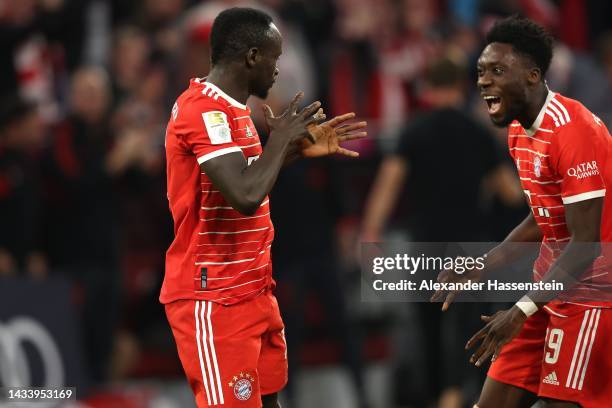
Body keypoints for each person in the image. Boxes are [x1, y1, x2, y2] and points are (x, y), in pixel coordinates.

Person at [161, 7, 366, 408]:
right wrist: (280, 139)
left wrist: (295, 149)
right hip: (214, 298)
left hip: (253, 290)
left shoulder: (233, 110)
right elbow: (245, 195)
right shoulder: (201, 111)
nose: (279, 67)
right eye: (276, 56)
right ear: (252, 57)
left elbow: (248, 174)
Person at [432, 16, 612, 408]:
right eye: (480, 72)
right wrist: (482, 265)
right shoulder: (518, 131)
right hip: (547, 292)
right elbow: (541, 219)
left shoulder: (574, 130)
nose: (483, 81)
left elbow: (585, 245)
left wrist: (519, 309)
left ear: (533, 76)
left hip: (593, 297)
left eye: (497, 71)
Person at [361, 54, 521, 408]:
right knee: (472, 327)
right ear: (462, 87)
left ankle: (440, 397)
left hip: (427, 246)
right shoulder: (478, 131)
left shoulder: (413, 131)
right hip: (472, 247)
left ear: (426, 88)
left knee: (430, 328)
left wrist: (371, 231)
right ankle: (470, 396)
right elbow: (509, 192)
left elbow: (388, 186)